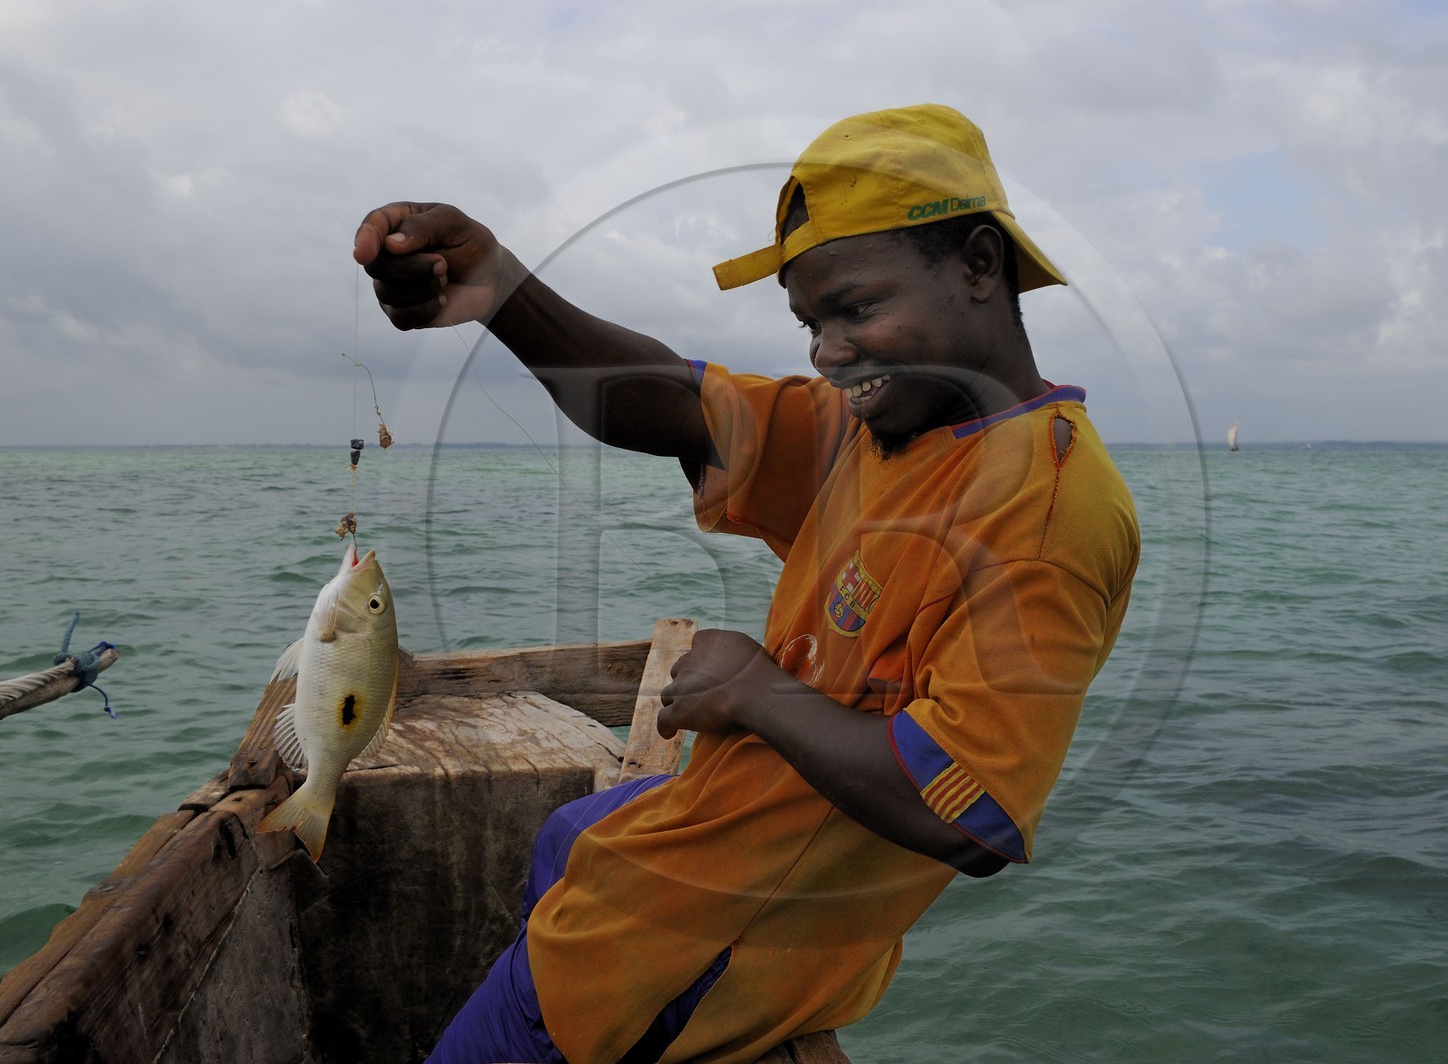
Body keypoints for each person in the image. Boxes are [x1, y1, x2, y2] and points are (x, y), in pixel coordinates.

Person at [353, 103, 1140, 1064]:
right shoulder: (884, 424)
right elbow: (676, 404)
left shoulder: (1044, 510)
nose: (829, 351)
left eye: (856, 308)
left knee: (534, 988)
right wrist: (501, 287)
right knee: (569, 829)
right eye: (811, 322)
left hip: (689, 944)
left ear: (980, 265)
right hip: (713, 836)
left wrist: (757, 692)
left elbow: (969, 811)